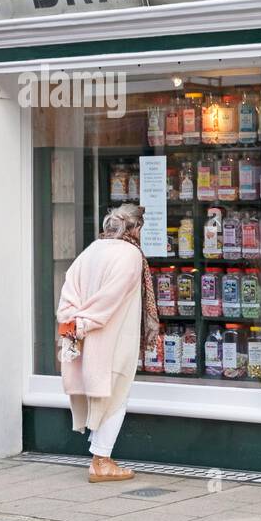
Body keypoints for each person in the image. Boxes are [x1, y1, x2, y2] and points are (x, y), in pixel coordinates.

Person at [56, 203, 160, 483]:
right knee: (116, 395)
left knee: (101, 392)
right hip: (114, 336)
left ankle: (100, 456)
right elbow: (112, 297)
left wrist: (73, 321)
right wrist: (87, 321)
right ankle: (101, 461)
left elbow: (69, 288)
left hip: (85, 335)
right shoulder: (130, 255)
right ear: (135, 228)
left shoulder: (92, 249)